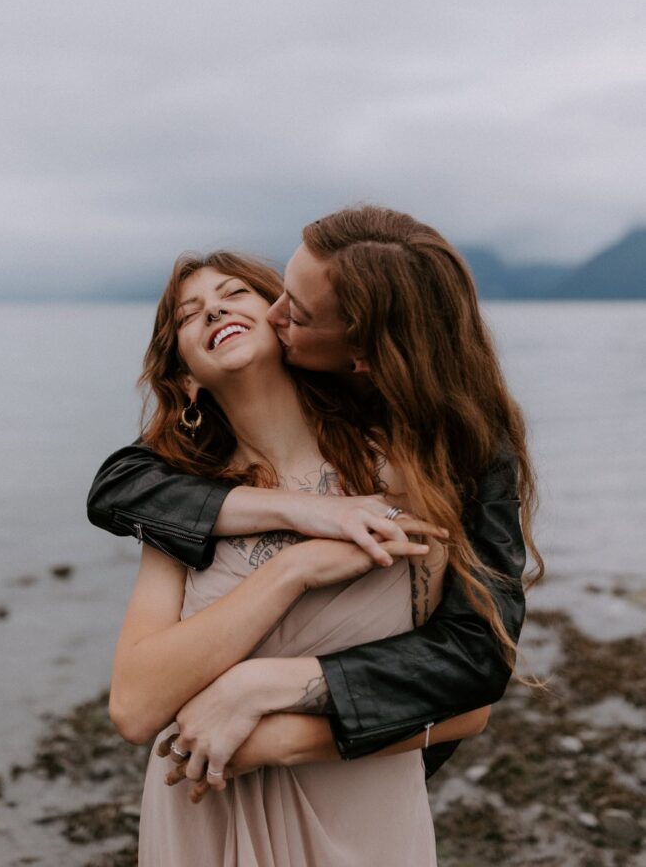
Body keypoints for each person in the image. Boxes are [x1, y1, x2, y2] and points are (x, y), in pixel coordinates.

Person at [89, 205, 541, 780]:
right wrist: (296, 553)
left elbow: (471, 677)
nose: (272, 312)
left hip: (356, 805)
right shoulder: (178, 497)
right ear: (184, 377)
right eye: (189, 314)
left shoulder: (417, 470)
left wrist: (271, 710)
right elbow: (114, 488)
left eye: (285, 308)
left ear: (359, 354)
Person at [110, 251, 489, 866]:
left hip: (360, 818)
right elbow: (133, 707)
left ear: (283, 322)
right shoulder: (181, 510)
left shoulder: (400, 475)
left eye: (234, 292)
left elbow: (467, 704)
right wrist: (294, 570)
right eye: (188, 314)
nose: (214, 308)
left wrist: (273, 728)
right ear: (186, 379)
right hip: (206, 817)